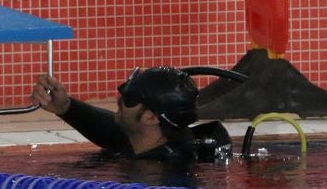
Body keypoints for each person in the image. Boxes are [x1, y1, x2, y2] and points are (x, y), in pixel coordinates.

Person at [32, 66, 229, 163]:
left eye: (129, 99)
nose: (119, 101)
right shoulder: (151, 142)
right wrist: (66, 106)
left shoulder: (160, 172)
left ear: (150, 118)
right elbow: (110, 131)